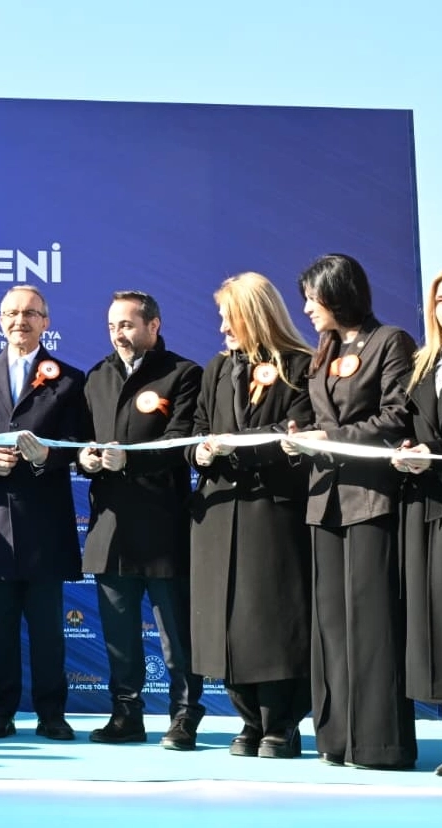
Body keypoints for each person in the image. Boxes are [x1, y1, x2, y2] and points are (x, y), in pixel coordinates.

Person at [283, 253, 416, 769]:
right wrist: (302, 440)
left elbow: (396, 416)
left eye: (312, 298)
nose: (306, 309)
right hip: (324, 502)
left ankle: (379, 744)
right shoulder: (324, 351)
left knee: (371, 623)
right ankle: (336, 738)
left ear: (337, 294)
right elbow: (319, 418)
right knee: (332, 627)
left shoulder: (390, 342)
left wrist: (330, 438)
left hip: (370, 499)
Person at [189, 273, 314, 759]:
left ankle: (281, 722)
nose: (222, 327)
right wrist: (200, 452)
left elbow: (298, 431)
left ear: (257, 317)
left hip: (273, 512)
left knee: (273, 619)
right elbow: (198, 427)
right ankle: (248, 720)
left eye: (230, 317)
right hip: (219, 513)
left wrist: (239, 446)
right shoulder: (218, 368)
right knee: (227, 623)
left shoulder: (300, 366)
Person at [0, 285, 86, 742]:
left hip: (46, 523)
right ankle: (0, 713)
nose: (20, 321)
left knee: (48, 630)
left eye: (31, 313)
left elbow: (77, 443)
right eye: (12, 313)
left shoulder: (69, 379)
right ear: (0, 321)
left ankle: (52, 714)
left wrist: (45, 456)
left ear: (45, 322)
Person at [79, 291, 204, 750]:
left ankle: (184, 716)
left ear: (154, 325)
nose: (119, 334)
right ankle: (126, 714)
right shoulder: (97, 375)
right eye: (113, 326)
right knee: (119, 636)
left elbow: (181, 442)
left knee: (177, 637)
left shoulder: (183, 374)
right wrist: (85, 460)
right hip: (109, 528)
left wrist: (128, 461)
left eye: (128, 325)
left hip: (163, 525)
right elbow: (82, 441)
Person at [394, 267, 442, 777]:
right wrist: (407, 452)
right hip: (425, 509)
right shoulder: (422, 365)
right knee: (435, 623)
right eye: (441, 297)